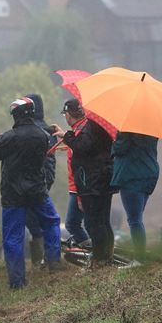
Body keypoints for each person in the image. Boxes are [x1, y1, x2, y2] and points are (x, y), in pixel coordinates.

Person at [0, 97, 62, 289]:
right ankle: (54, 264)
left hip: (13, 195)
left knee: (13, 237)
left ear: (16, 115)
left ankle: (17, 282)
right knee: (51, 222)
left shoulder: (10, 137)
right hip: (37, 191)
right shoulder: (43, 136)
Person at [53, 99, 114, 267]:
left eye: (65, 114)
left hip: (91, 182)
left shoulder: (90, 127)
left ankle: (100, 259)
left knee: (93, 222)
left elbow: (82, 146)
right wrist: (67, 135)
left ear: (69, 114)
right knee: (102, 220)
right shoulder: (96, 126)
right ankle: (107, 255)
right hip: (101, 180)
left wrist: (66, 136)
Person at [111, 132, 159, 265]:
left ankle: (139, 260)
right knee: (137, 218)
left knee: (134, 220)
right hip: (149, 175)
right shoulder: (151, 130)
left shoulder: (127, 130)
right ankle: (140, 256)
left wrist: (114, 141)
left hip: (131, 176)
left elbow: (120, 149)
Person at [24, 93, 58, 266]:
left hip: (34, 181)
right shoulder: (47, 130)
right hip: (43, 180)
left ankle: (41, 261)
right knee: (42, 220)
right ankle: (46, 259)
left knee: (35, 223)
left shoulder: (34, 130)